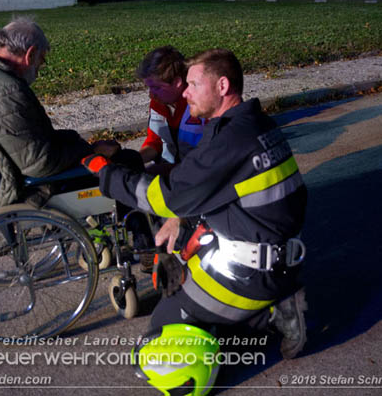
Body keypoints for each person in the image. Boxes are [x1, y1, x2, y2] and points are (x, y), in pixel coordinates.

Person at [82, 48, 308, 376]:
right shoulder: (255, 124)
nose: (185, 92)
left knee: (160, 335)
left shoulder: (228, 141)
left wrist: (107, 173)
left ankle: (270, 315)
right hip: (277, 253)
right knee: (183, 273)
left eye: (192, 84)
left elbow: (165, 198)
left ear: (222, 86)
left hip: (252, 272)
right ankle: (271, 305)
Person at [0, 17, 123, 207]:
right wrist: (89, 149)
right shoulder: (8, 91)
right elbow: (39, 163)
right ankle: (143, 233)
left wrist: (73, 140)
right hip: (33, 188)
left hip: (5, 176)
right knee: (125, 164)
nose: (39, 68)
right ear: (31, 54)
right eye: (41, 60)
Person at [136, 45, 206, 175]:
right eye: (149, 88)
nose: (151, 94)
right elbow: (154, 142)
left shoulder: (201, 105)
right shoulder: (158, 103)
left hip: (196, 174)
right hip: (168, 172)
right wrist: (133, 161)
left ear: (177, 82)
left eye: (156, 87)